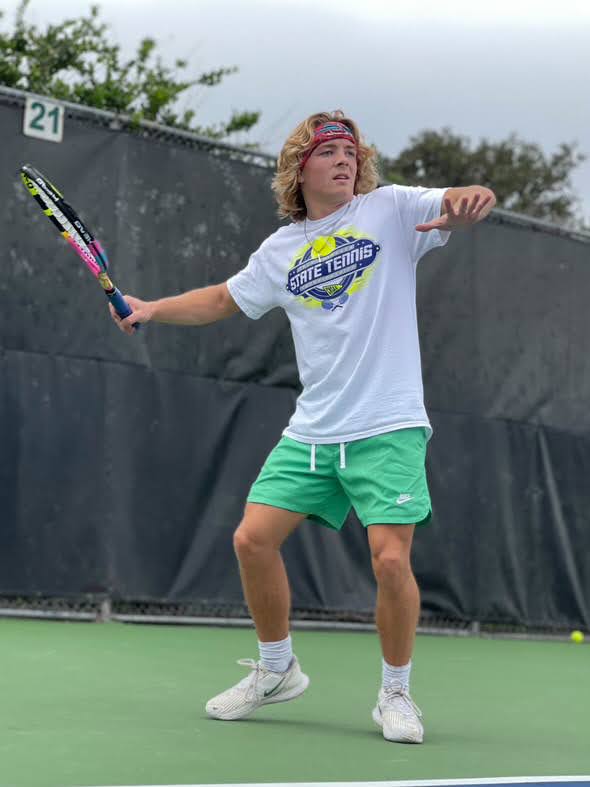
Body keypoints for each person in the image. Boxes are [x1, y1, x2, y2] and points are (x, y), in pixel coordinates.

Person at [111, 110, 496, 744]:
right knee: (251, 540)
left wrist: (466, 199)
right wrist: (150, 307)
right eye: (330, 152)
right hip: (313, 431)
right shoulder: (281, 250)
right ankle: (276, 669)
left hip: (388, 424)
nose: (345, 160)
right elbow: (220, 300)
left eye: (351, 151)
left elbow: (448, 202)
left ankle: (396, 693)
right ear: (301, 169)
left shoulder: (393, 211)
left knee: (390, 559)